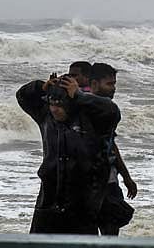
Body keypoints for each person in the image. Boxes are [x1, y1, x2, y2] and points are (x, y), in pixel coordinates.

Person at [16, 69, 121, 234]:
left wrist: (79, 95)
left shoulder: (92, 121)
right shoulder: (45, 117)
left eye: (60, 104)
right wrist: (41, 87)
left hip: (82, 204)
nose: (55, 109)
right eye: (51, 103)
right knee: (39, 244)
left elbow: (112, 110)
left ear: (71, 102)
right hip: (48, 200)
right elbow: (22, 95)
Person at [87, 63, 138, 236]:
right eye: (109, 84)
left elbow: (111, 146)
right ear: (94, 84)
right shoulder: (86, 110)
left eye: (114, 84)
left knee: (110, 230)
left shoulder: (107, 110)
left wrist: (126, 177)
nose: (113, 88)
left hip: (109, 180)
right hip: (93, 183)